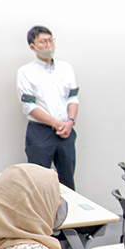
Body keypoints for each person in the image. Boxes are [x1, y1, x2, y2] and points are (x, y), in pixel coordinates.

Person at [16, 26, 79, 189]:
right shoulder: (26, 72)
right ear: (33, 47)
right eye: (43, 42)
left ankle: (70, 214)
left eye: (51, 40)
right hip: (40, 133)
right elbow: (29, 106)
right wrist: (56, 124)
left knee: (67, 180)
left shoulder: (66, 68)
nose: (48, 45)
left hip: (66, 132)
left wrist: (70, 122)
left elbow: (73, 97)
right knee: (39, 182)